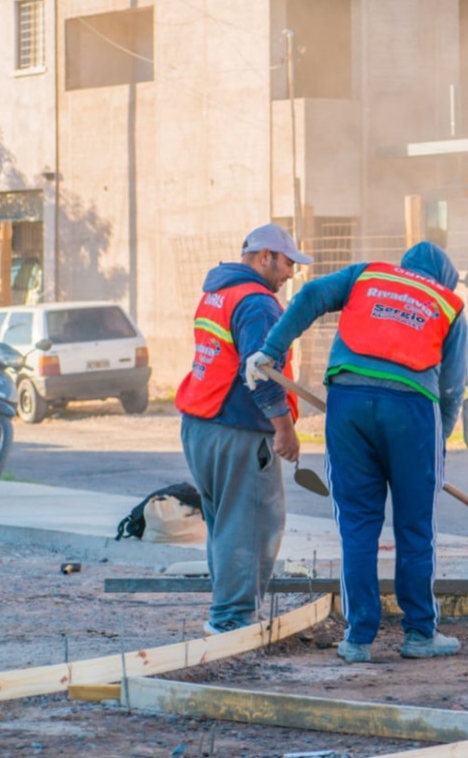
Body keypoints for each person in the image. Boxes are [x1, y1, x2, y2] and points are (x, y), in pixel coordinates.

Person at [246, 241, 467, 664]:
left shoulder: (369, 274)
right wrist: (436, 450)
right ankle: (420, 633)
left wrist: (270, 349)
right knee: (415, 528)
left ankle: (358, 639)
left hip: (347, 403)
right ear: (444, 279)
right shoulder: (447, 302)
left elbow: (311, 295)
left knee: (358, 526)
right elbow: (452, 388)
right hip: (413, 410)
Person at [174, 223, 308, 636]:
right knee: (252, 525)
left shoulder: (218, 292)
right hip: (239, 429)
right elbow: (261, 372)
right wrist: (284, 429)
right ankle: (232, 620)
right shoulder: (258, 304)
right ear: (265, 256)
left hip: (202, 425)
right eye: (287, 263)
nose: (291, 274)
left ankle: (227, 612)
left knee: (226, 525)